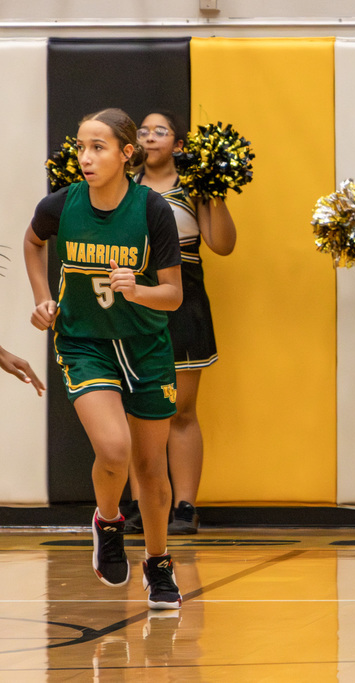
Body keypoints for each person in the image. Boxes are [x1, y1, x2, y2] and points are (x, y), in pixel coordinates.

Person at [24, 108, 184, 609]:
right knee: (114, 450)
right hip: (85, 343)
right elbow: (32, 244)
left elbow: (174, 296)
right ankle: (109, 522)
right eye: (80, 148)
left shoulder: (153, 210)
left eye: (97, 148)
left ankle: (158, 564)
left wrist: (138, 290)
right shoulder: (61, 204)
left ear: (125, 154)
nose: (85, 158)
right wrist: (41, 296)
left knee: (151, 467)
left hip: (145, 346)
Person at [121, 110, 237, 536]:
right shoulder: (124, 188)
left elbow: (222, 245)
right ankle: (139, 503)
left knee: (182, 411)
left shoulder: (195, 189)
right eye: (144, 132)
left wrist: (215, 190)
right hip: (134, 300)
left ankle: (185, 506)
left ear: (180, 144)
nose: (151, 137)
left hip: (184, 300)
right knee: (139, 408)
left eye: (161, 131)